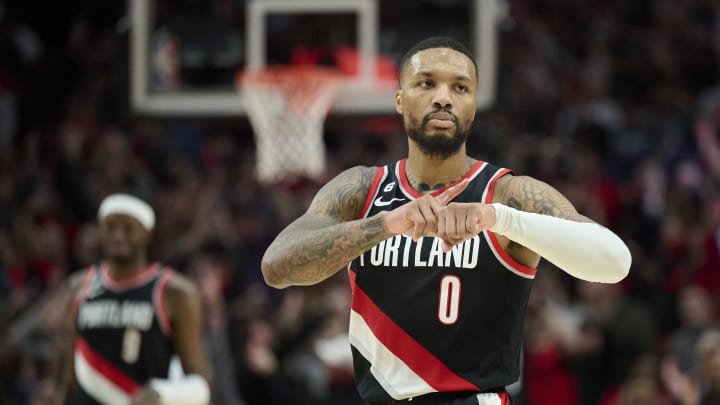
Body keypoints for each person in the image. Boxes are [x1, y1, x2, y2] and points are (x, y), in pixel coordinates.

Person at [261, 36, 632, 405]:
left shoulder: (506, 194)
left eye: (460, 87)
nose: (443, 97)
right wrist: (385, 225)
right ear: (399, 99)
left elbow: (615, 263)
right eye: (426, 83)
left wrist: (498, 219)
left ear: (473, 106)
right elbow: (277, 267)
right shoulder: (361, 189)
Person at [64, 193, 212, 404]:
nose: (118, 235)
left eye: (128, 228)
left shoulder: (174, 291)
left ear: (147, 233)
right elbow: (68, 374)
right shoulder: (79, 286)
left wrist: (162, 393)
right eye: (110, 226)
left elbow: (201, 385)